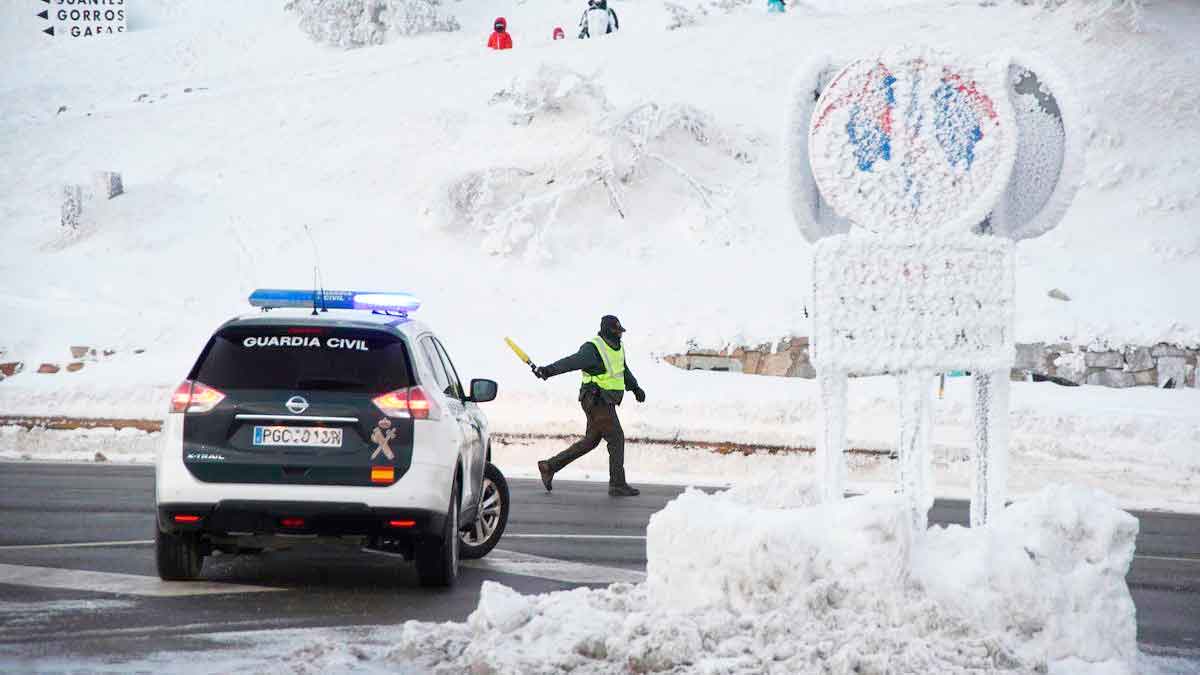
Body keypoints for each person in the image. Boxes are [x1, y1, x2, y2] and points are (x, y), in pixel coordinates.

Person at [533, 315, 645, 496]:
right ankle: (617, 484)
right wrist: (548, 370)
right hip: (596, 400)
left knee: (591, 441)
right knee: (616, 438)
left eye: (620, 331)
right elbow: (570, 362)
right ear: (608, 331)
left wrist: (635, 387)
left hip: (604, 400)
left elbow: (622, 369)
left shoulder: (617, 347)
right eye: (617, 331)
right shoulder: (592, 349)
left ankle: (549, 466)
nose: (620, 334)